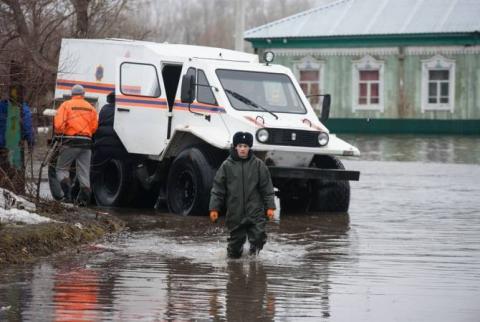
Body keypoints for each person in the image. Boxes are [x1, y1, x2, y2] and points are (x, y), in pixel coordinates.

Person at [209, 131, 276, 258]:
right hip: (235, 213)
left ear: (249, 147)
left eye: (245, 146)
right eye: (240, 146)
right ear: (235, 147)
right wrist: (214, 208)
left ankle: (253, 258)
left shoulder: (258, 165)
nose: (242, 149)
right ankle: (233, 267)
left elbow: (267, 188)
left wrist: (270, 207)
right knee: (235, 247)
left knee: (259, 237)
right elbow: (218, 189)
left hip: (255, 212)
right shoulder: (226, 166)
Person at [54, 84, 98, 205]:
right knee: (84, 171)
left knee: (61, 168)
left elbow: (59, 125)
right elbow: (94, 127)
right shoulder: (91, 107)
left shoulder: (66, 105)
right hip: (87, 143)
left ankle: (68, 196)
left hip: (70, 141)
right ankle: (84, 200)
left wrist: (61, 133)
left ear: (72, 94)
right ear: (83, 94)